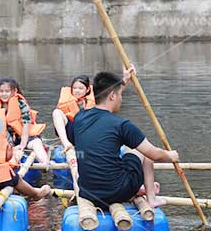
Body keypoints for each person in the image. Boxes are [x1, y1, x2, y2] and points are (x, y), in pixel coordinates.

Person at [71, 68, 179, 209]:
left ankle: (141, 189)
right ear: (112, 96)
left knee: (128, 147)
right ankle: (151, 198)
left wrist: (124, 80)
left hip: (88, 192)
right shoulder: (122, 125)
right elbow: (154, 154)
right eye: (121, 94)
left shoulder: (79, 117)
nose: (121, 98)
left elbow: (103, 100)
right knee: (144, 151)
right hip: (117, 192)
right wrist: (171, 156)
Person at [0, 78, 50, 164]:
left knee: (36, 143)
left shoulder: (21, 104)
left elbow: (26, 126)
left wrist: (22, 145)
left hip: (26, 136)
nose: (4, 94)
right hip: (8, 139)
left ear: (14, 91)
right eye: (1, 91)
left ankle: (46, 164)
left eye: (7, 91)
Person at [52, 74, 95, 152]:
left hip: (87, 135)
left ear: (88, 89)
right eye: (74, 88)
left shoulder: (94, 101)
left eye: (81, 88)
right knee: (56, 112)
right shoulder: (68, 100)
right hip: (71, 132)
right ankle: (66, 144)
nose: (77, 90)